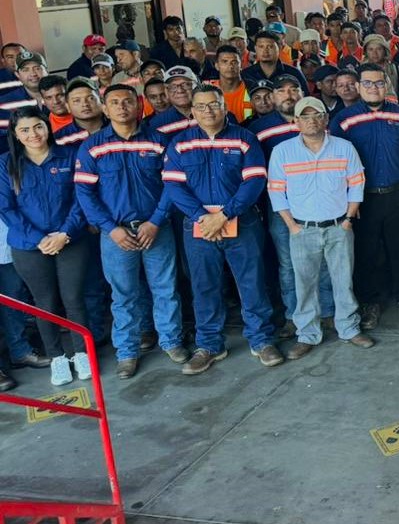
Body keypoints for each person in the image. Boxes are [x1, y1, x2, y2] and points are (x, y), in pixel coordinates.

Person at [162, 84, 280, 375]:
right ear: (193, 111)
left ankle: (261, 340)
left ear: (225, 107)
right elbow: (174, 186)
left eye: (214, 104)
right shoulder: (179, 143)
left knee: (251, 281)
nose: (208, 111)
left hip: (242, 221)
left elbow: (255, 180)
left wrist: (225, 214)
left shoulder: (245, 138)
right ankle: (210, 345)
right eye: (201, 106)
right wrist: (203, 217)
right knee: (204, 285)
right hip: (199, 226)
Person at [74, 84, 187, 379]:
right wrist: (110, 229)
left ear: (138, 105)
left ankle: (171, 341)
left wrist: (156, 221)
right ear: (105, 108)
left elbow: (172, 184)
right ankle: (127, 351)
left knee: (165, 288)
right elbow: (85, 193)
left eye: (127, 101)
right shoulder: (92, 146)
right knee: (123, 295)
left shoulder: (159, 141)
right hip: (116, 235)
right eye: (114, 102)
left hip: (156, 229)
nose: (122, 107)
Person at [266, 96, 373, 359]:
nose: (311, 120)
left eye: (317, 115)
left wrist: (348, 219)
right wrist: (291, 226)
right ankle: (307, 335)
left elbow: (356, 184)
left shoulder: (344, 148)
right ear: (296, 121)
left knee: (343, 281)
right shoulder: (282, 151)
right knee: (304, 285)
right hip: (302, 229)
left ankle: (349, 328)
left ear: (326, 119)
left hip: (339, 227)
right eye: (305, 116)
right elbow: (276, 192)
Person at [330, 63, 399, 330]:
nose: (374, 88)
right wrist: (348, 198)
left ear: (387, 86)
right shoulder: (344, 120)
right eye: (368, 83)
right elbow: (335, 161)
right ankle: (370, 302)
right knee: (367, 252)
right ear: (358, 86)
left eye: (379, 83)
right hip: (363, 199)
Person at [0, 108, 90, 386]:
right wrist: (40, 239)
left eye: (38, 127)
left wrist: (65, 233)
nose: (33, 134)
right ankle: (57, 357)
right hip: (29, 246)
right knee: (45, 302)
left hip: (70, 239)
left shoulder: (69, 156)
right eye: (25, 130)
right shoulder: (6, 164)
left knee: (74, 298)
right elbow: (6, 208)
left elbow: (81, 198)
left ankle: (82, 353)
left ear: (47, 127)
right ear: (15, 135)